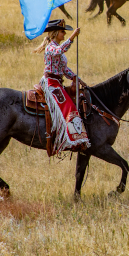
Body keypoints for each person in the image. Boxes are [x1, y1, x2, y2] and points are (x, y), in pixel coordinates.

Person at [33, 19, 90, 155]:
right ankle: (73, 139)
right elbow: (59, 51)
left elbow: (64, 69)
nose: (64, 33)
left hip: (57, 82)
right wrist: (72, 37)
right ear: (55, 33)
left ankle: (75, 138)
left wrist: (76, 78)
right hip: (51, 83)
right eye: (62, 31)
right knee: (67, 107)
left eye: (65, 32)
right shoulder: (51, 48)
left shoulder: (55, 47)